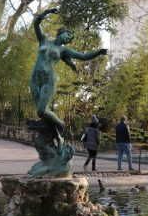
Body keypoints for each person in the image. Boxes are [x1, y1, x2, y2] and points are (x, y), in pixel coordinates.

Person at [30, 7, 107, 142]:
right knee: (41, 113)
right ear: (61, 33)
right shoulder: (43, 40)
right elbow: (36, 23)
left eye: (71, 38)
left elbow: (83, 56)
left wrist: (98, 52)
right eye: (68, 35)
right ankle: (54, 137)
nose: (69, 38)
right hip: (35, 77)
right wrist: (46, 12)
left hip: (49, 79)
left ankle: (60, 124)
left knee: (41, 111)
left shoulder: (64, 50)